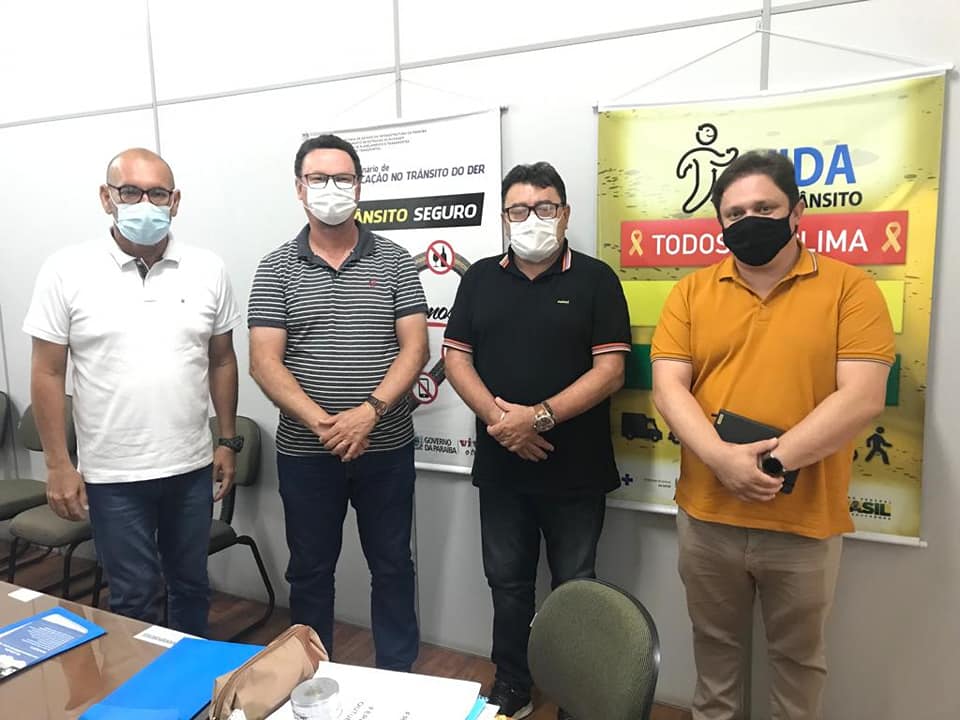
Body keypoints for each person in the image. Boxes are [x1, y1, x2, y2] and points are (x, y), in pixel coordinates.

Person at [651, 150, 895, 720]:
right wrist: (721, 460)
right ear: (719, 221)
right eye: (735, 213)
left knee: (798, 665)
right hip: (708, 518)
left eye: (764, 208)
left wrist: (768, 465)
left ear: (797, 212)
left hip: (803, 524)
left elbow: (862, 396)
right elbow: (669, 388)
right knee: (714, 659)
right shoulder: (690, 292)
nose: (749, 221)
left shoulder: (851, 289)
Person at [23, 148, 242, 636]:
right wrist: (58, 464)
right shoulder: (66, 270)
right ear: (107, 198)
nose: (145, 203)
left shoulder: (208, 269)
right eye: (130, 192)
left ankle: (190, 677)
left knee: (191, 586)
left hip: (190, 468)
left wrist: (227, 440)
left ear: (175, 201)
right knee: (134, 596)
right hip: (113, 475)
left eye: (157, 193)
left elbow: (222, 359)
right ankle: (140, 683)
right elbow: (48, 372)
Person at [443, 162, 631, 720]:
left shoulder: (597, 279)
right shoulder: (480, 278)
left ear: (565, 214)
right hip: (502, 468)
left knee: (576, 588)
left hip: (576, 470)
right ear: (505, 217)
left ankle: (576, 697)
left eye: (544, 207)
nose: (532, 219)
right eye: (519, 210)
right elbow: (456, 359)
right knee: (507, 584)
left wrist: (538, 419)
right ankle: (513, 684)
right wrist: (504, 423)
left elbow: (611, 372)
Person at [248, 134, 429, 671]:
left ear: (359, 186)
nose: (332, 188)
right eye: (319, 178)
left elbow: (415, 349)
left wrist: (368, 414)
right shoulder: (275, 267)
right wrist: (325, 425)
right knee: (309, 572)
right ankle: (312, 678)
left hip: (386, 447)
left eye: (343, 178)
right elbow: (264, 362)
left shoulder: (395, 261)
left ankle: (398, 676)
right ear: (300, 188)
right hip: (307, 452)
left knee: (393, 566)